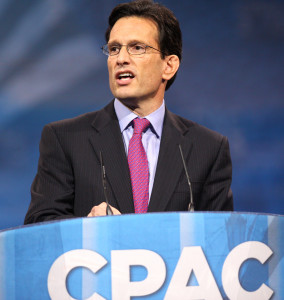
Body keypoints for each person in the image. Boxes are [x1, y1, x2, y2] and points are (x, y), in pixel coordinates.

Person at [24, 0, 233, 224]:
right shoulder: (66, 139)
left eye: (137, 48)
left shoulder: (207, 148)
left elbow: (221, 238)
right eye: (114, 49)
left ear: (169, 66)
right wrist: (86, 226)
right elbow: (40, 224)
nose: (121, 59)